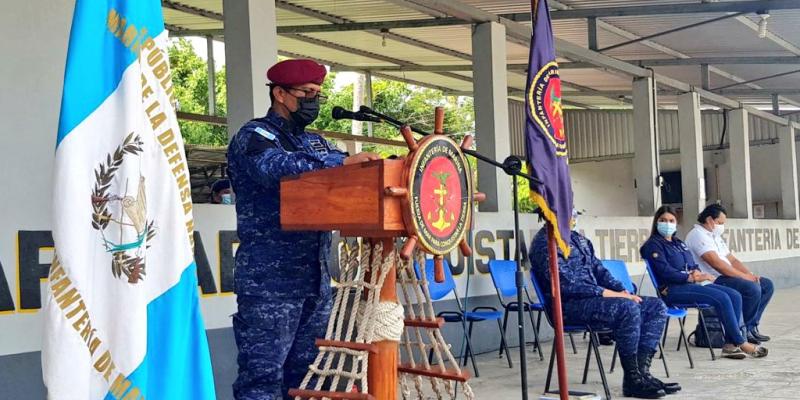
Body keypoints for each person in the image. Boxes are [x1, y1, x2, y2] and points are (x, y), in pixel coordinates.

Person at [226, 59, 380, 400]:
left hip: (315, 281)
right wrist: (341, 162)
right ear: (280, 94)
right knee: (262, 380)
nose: (313, 101)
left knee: (308, 379)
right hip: (270, 285)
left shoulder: (316, 143)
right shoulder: (255, 136)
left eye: (317, 94)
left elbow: (345, 179)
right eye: (306, 93)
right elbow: (277, 168)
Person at [530, 214, 676, 399]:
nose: (573, 215)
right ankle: (632, 379)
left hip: (595, 301)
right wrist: (611, 294)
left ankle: (642, 374)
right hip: (568, 306)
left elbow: (600, 271)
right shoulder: (545, 243)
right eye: (568, 210)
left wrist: (622, 290)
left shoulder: (578, 239)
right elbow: (566, 286)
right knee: (627, 308)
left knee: (656, 306)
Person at [641, 206, 767, 359]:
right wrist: (690, 277)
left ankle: (730, 345)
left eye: (671, 221)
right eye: (663, 220)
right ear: (656, 222)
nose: (667, 224)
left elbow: (691, 263)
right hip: (672, 290)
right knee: (722, 297)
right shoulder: (653, 245)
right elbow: (665, 272)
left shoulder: (678, 243)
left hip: (690, 285)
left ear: (676, 223)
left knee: (734, 295)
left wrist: (697, 272)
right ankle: (741, 342)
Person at [685, 204, 774, 345]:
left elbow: (732, 260)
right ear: (709, 220)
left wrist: (749, 274)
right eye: (720, 223)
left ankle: (750, 327)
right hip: (712, 279)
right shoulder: (697, 235)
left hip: (726, 276)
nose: (722, 226)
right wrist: (744, 277)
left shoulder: (715, 236)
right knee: (752, 289)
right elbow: (717, 264)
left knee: (766, 285)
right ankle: (741, 331)